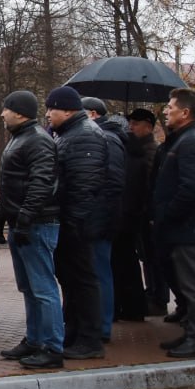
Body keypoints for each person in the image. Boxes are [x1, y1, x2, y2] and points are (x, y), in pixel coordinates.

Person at [0, 90, 66, 370]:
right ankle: (35, 339)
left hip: (36, 224)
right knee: (29, 287)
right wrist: (2, 218)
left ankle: (52, 346)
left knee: (42, 287)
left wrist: (25, 218)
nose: (2, 113)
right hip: (22, 223)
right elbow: (12, 182)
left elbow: (41, 183)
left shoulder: (37, 140)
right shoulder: (22, 138)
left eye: (6, 108)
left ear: (20, 112)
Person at [44, 86, 107, 360]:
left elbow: (85, 186)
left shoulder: (84, 136)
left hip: (78, 224)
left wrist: (73, 223)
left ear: (68, 110)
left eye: (51, 109)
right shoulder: (71, 134)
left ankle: (89, 339)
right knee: (71, 281)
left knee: (83, 280)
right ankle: (74, 332)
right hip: (72, 221)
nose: (47, 115)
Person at [152, 87, 195, 358]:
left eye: (171, 107)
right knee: (188, 284)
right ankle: (191, 333)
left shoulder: (191, 142)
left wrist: (168, 216)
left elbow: (192, 189)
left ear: (185, 112)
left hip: (187, 229)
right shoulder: (183, 140)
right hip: (182, 227)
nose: (166, 111)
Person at [82, 97, 127, 341]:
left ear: (92, 114)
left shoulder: (106, 139)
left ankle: (102, 326)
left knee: (99, 271)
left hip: (99, 219)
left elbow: (112, 184)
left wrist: (98, 217)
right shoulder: (102, 138)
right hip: (97, 217)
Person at [127, 108, 167, 315]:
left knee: (153, 257)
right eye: (130, 123)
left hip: (148, 213)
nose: (131, 127)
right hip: (141, 212)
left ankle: (158, 297)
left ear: (148, 127)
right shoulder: (138, 148)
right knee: (147, 257)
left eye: (135, 123)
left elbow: (149, 184)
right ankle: (152, 292)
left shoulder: (151, 150)